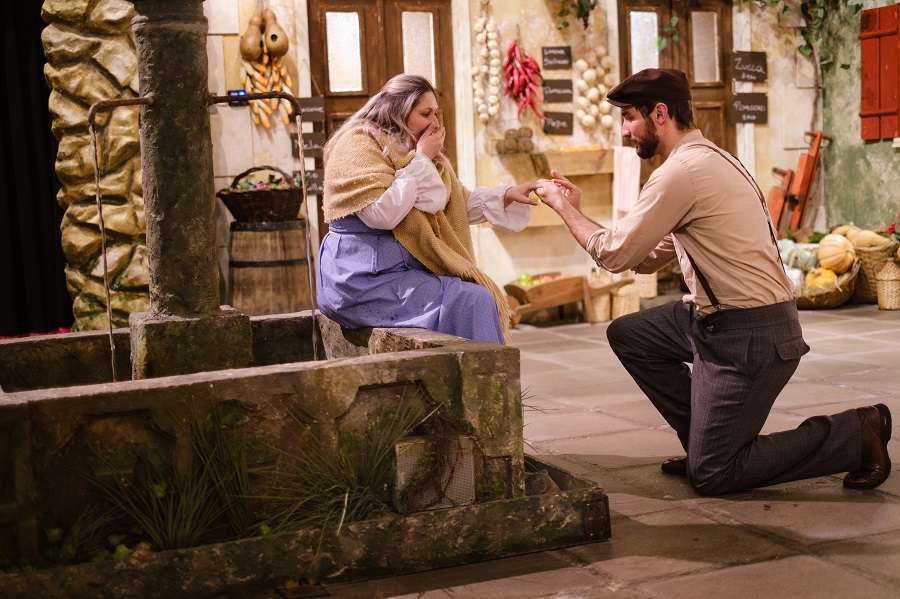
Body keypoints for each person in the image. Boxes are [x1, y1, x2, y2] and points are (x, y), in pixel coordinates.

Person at [533, 68, 891, 496]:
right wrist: (582, 210)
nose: (626, 131)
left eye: (629, 117)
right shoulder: (711, 160)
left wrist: (563, 208)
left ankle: (857, 433)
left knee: (714, 475)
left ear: (660, 113)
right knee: (632, 334)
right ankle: (704, 441)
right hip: (717, 321)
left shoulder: (680, 173)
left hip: (751, 335)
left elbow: (614, 254)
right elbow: (643, 258)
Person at [318, 74, 539, 344]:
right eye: (425, 113)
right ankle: (483, 380)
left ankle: (477, 379)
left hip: (399, 272)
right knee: (473, 299)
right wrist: (421, 158)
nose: (435, 123)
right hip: (360, 279)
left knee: (474, 296)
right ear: (399, 111)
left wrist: (506, 195)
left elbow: (453, 206)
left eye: (435, 113)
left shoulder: (411, 149)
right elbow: (382, 215)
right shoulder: (359, 143)